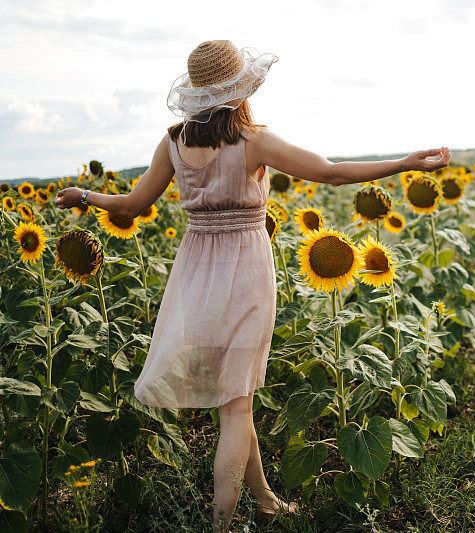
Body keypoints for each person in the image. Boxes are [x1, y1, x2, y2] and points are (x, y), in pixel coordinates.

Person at [54, 39, 450, 532]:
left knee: (233, 394)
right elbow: (329, 174)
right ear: (240, 87)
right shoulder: (251, 141)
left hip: (195, 277)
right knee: (237, 408)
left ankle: (264, 499)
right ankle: (221, 524)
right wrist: (405, 164)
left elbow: (133, 205)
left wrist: (85, 195)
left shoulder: (174, 141)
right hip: (245, 274)